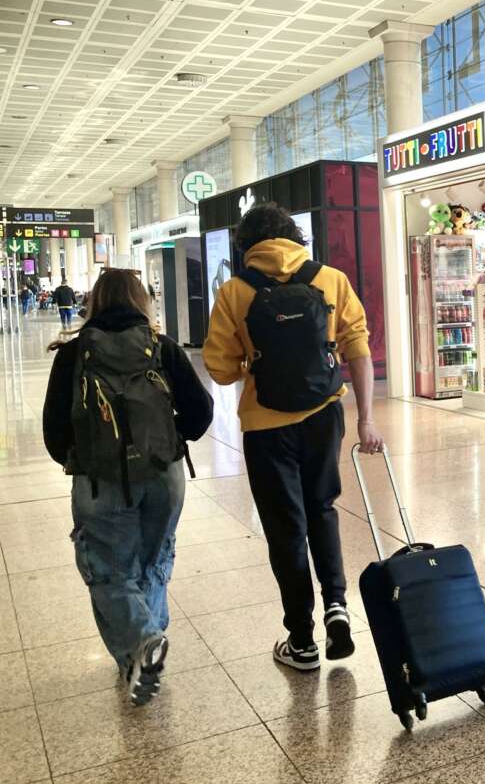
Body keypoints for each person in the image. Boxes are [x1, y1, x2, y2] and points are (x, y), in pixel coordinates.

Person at [203, 203, 384, 672]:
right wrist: (365, 419)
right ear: (294, 237)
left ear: (246, 246)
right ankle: (338, 608)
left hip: (266, 426)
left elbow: (220, 371)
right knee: (322, 507)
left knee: (285, 527)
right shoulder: (331, 279)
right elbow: (358, 349)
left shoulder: (234, 292)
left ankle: (301, 639)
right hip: (324, 415)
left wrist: (255, 364)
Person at [42, 269, 213, 705]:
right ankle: (140, 654)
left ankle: (142, 640)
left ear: (94, 302)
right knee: (154, 560)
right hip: (164, 474)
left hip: (100, 480)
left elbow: (53, 431)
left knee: (109, 569)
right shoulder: (162, 348)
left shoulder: (75, 354)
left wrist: (84, 459)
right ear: (143, 300)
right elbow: (202, 410)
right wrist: (169, 440)